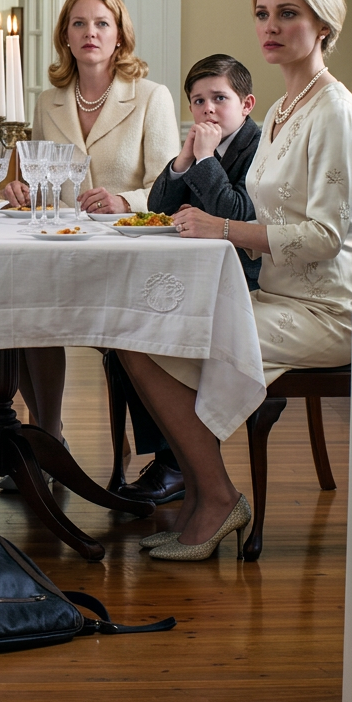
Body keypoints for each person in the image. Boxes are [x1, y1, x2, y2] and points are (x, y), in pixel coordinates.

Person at [120, 0, 352, 561]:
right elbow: (261, 210)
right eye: (262, 13)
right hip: (273, 293)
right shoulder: (280, 110)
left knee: (147, 339)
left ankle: (217, 499)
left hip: (326, 310)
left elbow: (327, 236)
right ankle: (205, 497)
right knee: (135, 331)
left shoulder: (335, 109)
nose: (270, 26)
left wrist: (222, 229)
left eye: (287, 13)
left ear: (323, 24)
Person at [3, 0, 180, 448]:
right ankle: (48, 437)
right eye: (79, 23)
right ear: (65, 35)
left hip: (125, 253)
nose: (90, 33)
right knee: (21, 311)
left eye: (102, 23)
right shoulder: (48, 101)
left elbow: (170, 188)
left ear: (119, 34)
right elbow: (40, 179)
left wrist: (126, 202)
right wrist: (20, 190)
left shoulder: (151, 97)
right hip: (60, 248)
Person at [112, 54, 262, 505]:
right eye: (198, 101)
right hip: (200, 272)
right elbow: (158, 207)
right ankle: (172, 455)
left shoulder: (257, 147)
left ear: (246, 104)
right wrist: (183, 159)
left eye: (220, 98)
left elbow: (238, 214)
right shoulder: (201, 146)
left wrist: (205, 159)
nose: (208, 109)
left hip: (246, 276)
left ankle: (177, 462)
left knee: (146, 330)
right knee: (123, 327)